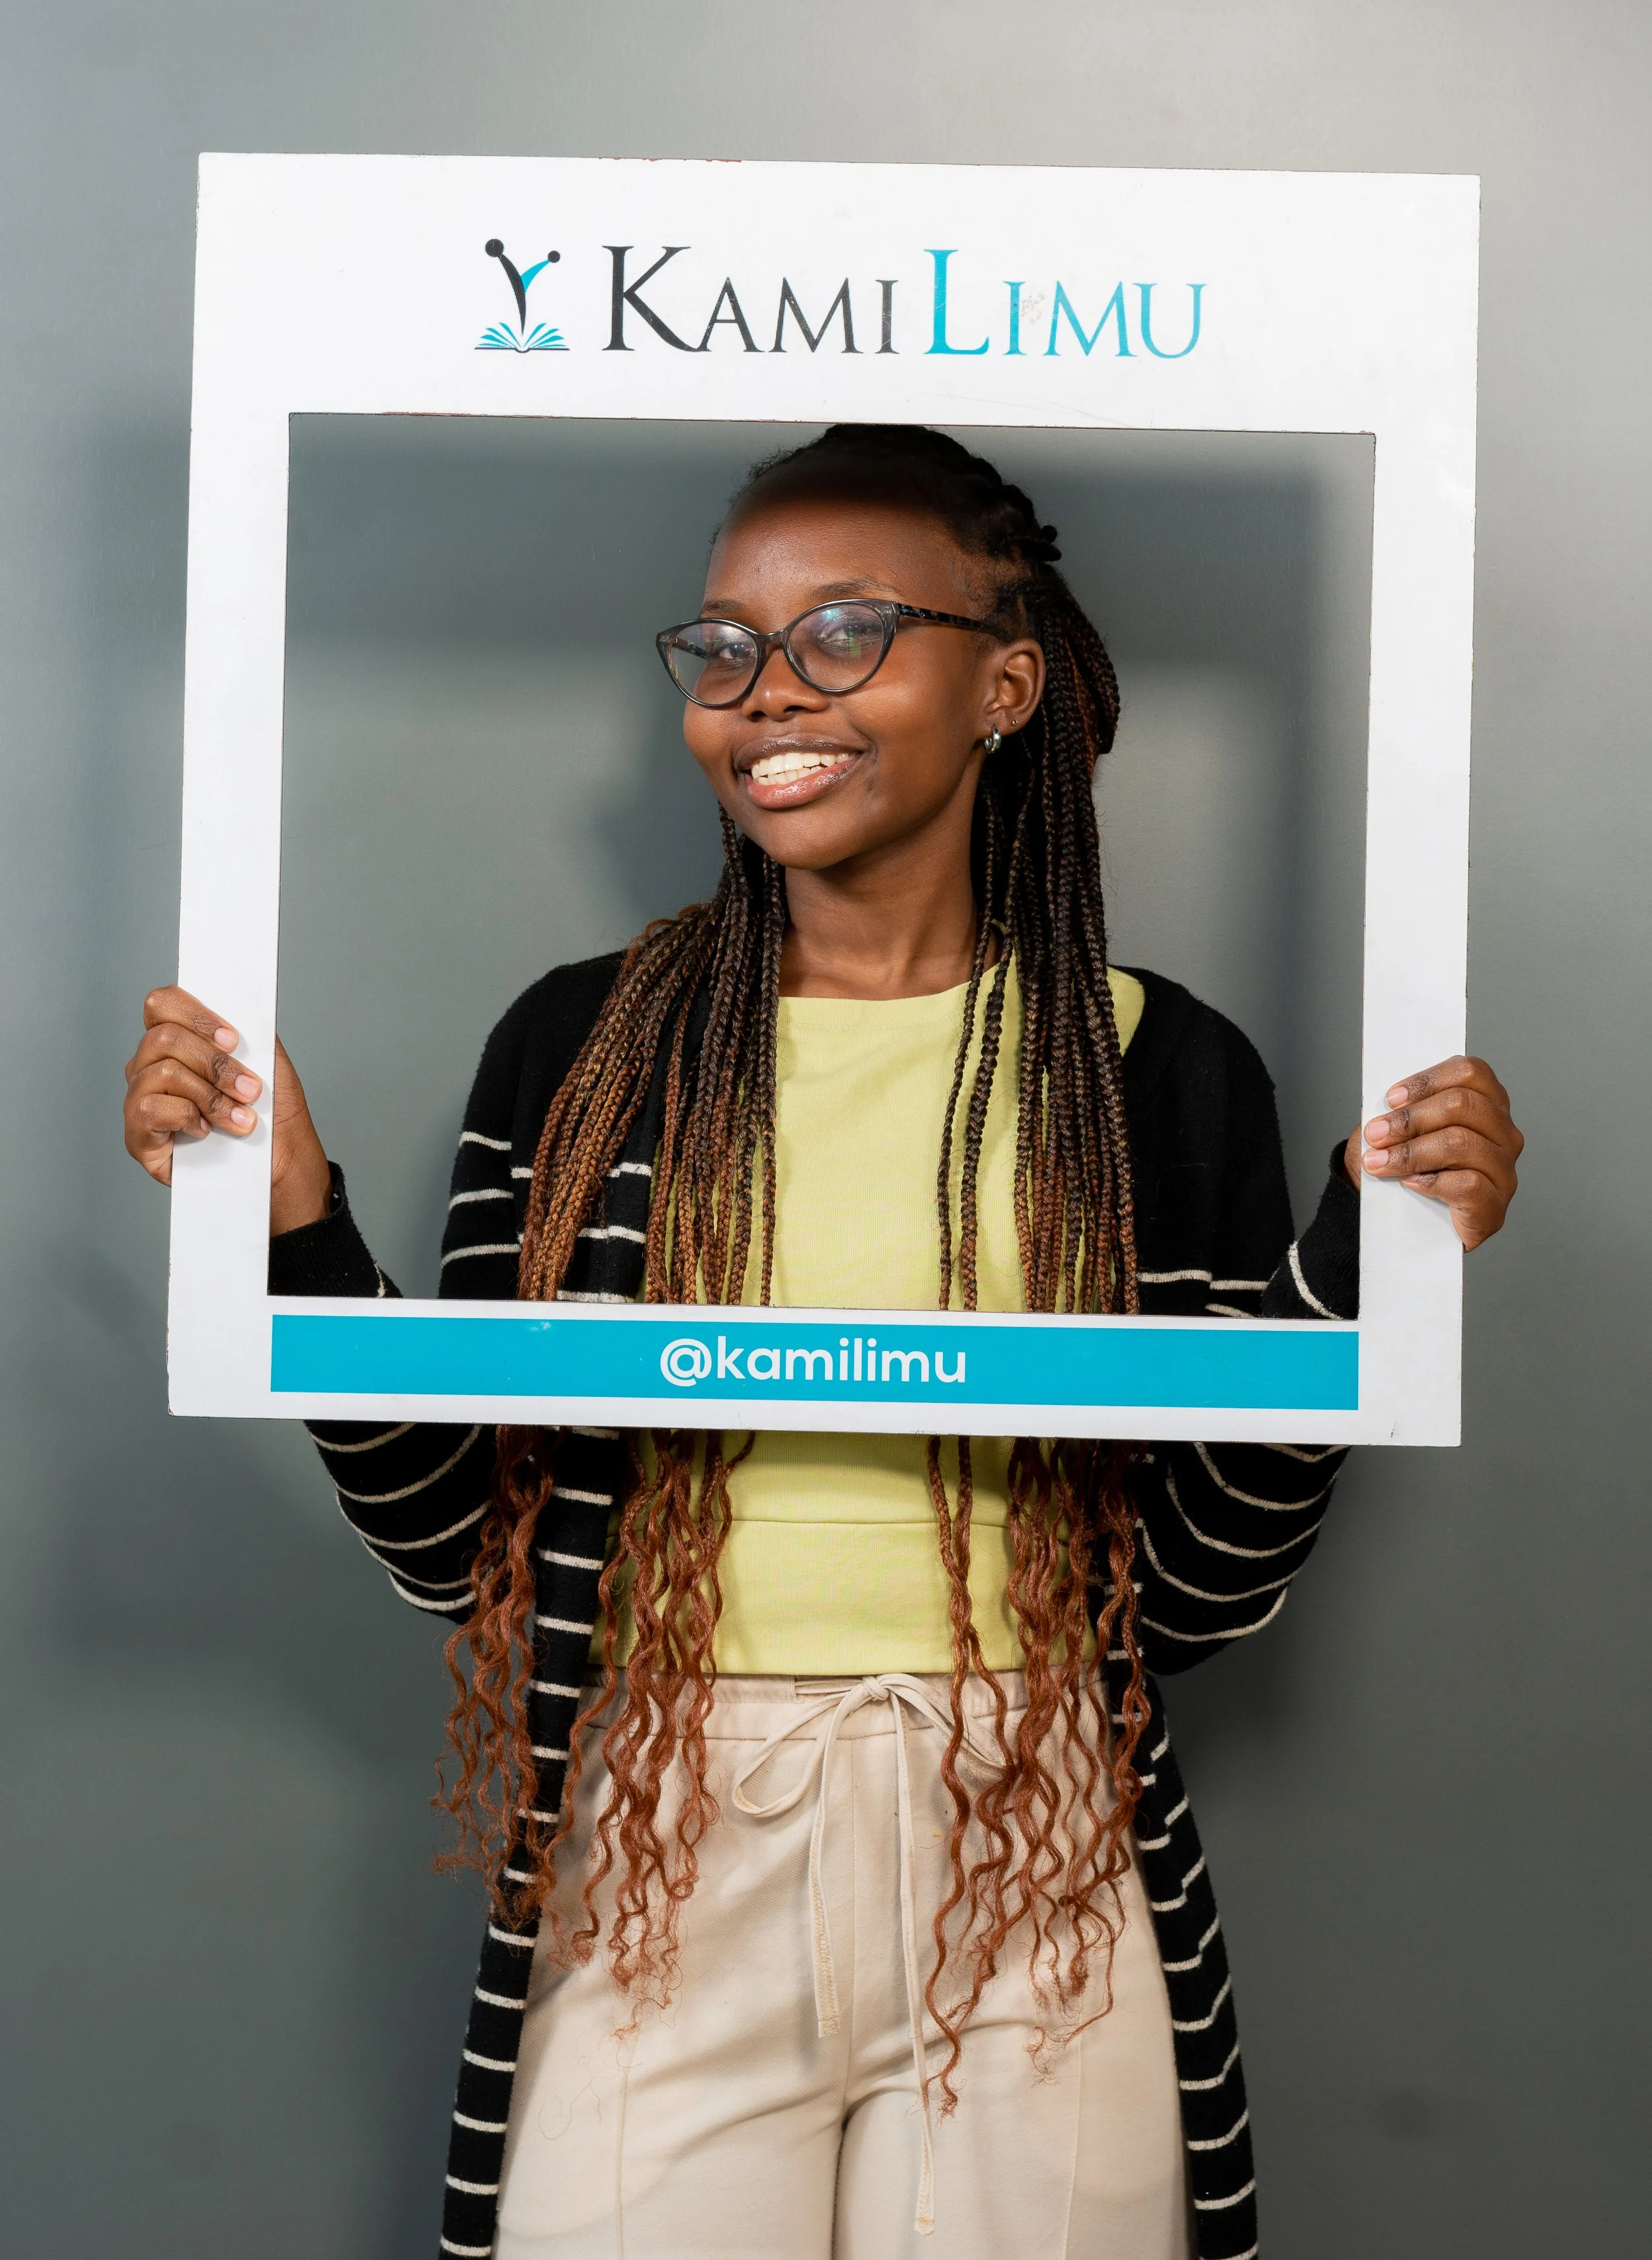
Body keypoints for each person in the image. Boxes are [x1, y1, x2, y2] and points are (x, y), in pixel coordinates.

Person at [123, 424, 1522, 2260]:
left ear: (1004, 683)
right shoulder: (581, 1053)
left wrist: (1365, 1254)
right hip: (663, 1835)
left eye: (844, 630)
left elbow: (1193, 1593)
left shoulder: (1155, 1073)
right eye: (722, 648)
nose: (767, 691)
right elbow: (465, 1543)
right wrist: (292, 1225)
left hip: (1033, 1838)